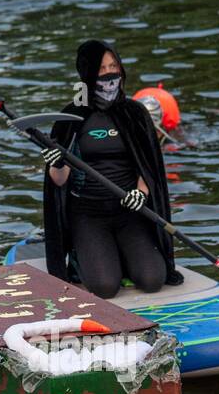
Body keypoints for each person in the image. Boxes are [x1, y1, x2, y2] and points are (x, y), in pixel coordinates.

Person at [42, 39, 181, 299]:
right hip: (88, 214)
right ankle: (83, 258)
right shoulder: (71, 118)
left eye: (113, 66)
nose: (109, 74)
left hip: (129, 211)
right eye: (101, 69)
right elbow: (58, 182)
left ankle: (124, 254)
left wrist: (141, 193)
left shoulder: (135, 113)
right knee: (106, 287)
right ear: (87, 74)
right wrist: (57, 162)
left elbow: (149, 165)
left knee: (153, 280)